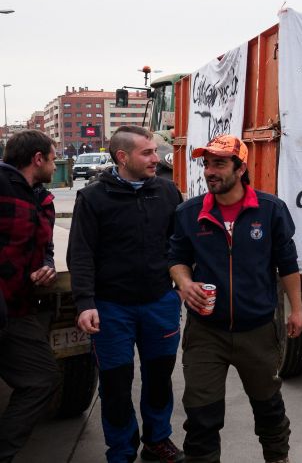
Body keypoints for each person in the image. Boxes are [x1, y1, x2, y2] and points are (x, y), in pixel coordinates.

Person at [169, 135, 302, 463]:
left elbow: (287, 263)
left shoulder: (270, 210)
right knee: (201, 415)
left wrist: (297, 310)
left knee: (269, 408)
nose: (210, 171)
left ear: (240, 168)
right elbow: (176, 258)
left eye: (219, 163)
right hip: (205, 331)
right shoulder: (189, 213)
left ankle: (278, 458)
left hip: (257, 330)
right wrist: (184, 283)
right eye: (207, 164)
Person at [68, 125, 184, 463]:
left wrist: (180, 288)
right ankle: (121, 449)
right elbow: (81, 253)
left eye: (154, 151)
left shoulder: (166, 192)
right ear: (123, 157)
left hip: (159, 303)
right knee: (116, 385)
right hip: (111, 308)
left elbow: (180, 243)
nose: (155, 158)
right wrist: (85, 302)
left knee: (159, 379)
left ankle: (157, 440)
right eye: (146, 153)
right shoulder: (93, 198)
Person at [0, 130, 61, 462]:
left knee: (42, 379)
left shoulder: (42, 199)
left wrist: (47, 266)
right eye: (53, 158)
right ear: (38, 158)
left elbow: (46, 248)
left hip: (18, 309)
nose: (55, 164)